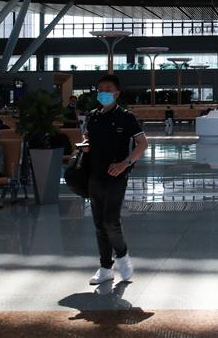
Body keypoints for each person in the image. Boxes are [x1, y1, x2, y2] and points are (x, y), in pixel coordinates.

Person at [82, 74, 148, 285]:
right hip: (94, 175)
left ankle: (122, 256)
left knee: (111, 221)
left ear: (117, 93)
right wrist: (85, 145)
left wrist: (125, 164)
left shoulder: (126, 117)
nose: (103, 93)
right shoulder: (93, 116)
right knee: (99, 224)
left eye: (108, 89)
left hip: (116, 176)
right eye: (100, 89)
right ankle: (105, 268)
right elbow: (87, 139)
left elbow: (142, 143)